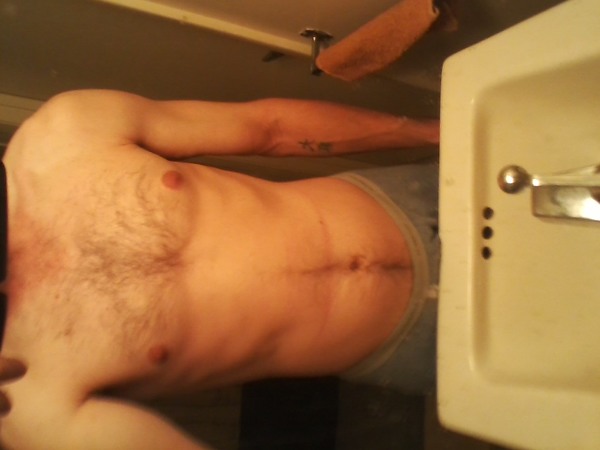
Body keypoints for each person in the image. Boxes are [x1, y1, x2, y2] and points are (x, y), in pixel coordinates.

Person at [0, 89, 440, 449]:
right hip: (416, 341)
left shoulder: (61, 135)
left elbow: (269, 129)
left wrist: (437, 132)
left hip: (417, 199)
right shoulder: (20, 396)